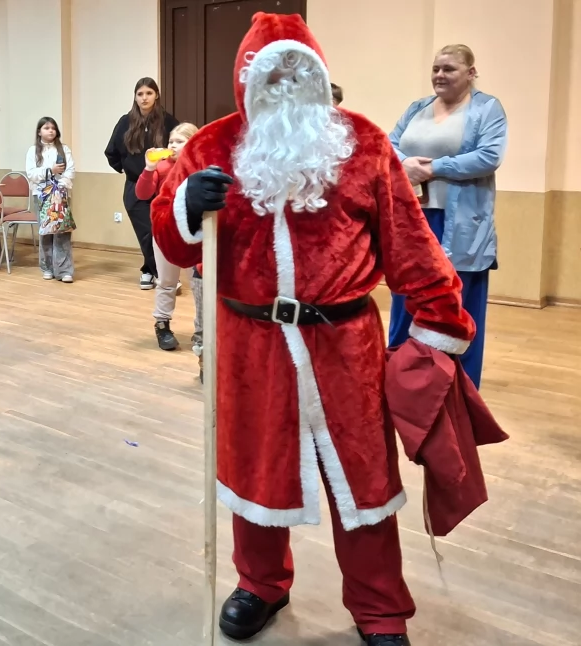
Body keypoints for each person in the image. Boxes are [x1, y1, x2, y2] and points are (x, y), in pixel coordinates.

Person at [151, 14, 475, 645]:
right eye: (272, 77)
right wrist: (187, 206)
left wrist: (438, 328)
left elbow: (412, 247)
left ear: (321, 77)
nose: (287, 89)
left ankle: (380, 610)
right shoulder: (209, 149)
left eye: (301, 74)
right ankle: (261, 583)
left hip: (344, 346)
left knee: (364, 481)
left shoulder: (365, 145)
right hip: (248, 345)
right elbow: (172, 239)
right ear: (247, 82)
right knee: (253, 472)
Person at [388, 44, 505, 389]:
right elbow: (390, 144)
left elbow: (489, 156)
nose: (440, 75)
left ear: (470, 73)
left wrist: (433, 168)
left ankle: (459, 390)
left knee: (458, 307)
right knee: (407, 300)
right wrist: (405, 163)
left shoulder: (487, 108)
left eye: (449, 69)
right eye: (436, 68)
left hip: (461, 227)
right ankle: (402, 379)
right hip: (414, 220)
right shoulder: (417, 108)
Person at [105, 77, 181, 290]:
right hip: (135, 186)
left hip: (162, 186)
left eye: (149, 93)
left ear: (156, 95)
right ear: (135, 97)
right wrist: (127, 168)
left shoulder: (168, 122)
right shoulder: (125, 122)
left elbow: (178, 148)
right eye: (140, 94)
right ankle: (160, 274)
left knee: (160, 232)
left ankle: (149, 270)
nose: (144, 97)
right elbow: (111, 152)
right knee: (146, 232)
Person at [137, 123, 199, 356]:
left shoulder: (199, 166)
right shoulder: (161, 166)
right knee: (166, 281)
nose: (172, 145)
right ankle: (162, 324)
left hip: (195, 233)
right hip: (165, 232)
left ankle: (202, 329)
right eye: (171, 141)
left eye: (179, 141)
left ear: (192, 143)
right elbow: (142, 194)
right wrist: (148, 168)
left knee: (199, 284)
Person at [26, 116, 76, 283]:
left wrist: (59, 187)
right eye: (47, 128)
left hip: (60, 195)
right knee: (46, 232)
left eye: (53, 128)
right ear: (39, 131)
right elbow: (31, 173)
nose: (51, 131)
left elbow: (70, 171)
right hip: (41, 195)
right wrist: (50, 171)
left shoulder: (64, 149)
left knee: (62, 231)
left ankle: (64, 270)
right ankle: (47, 268)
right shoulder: (33, 150)